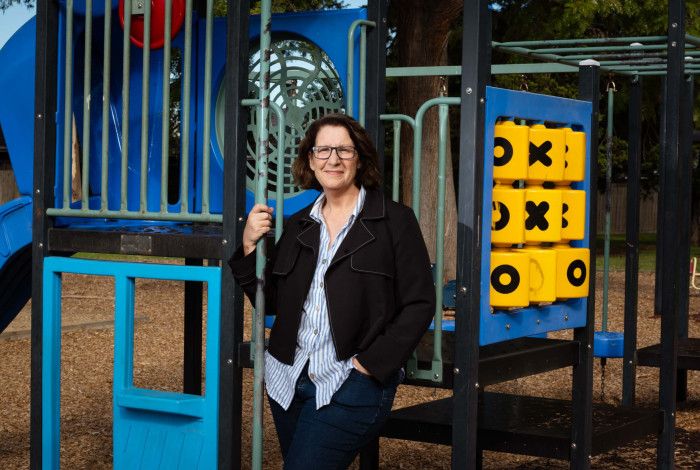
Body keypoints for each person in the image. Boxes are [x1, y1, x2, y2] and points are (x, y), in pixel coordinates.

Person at [229, 113, 435, 469]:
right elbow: (273, 301)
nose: (333, 159)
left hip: (350, 382)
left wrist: (369, 366)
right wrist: (249, 247)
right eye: (323, 150)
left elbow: (419, 303)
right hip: (287, 382)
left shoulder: (395, 221)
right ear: (310, 159)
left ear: (360, 158)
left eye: (344, 150)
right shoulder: (299, 225)